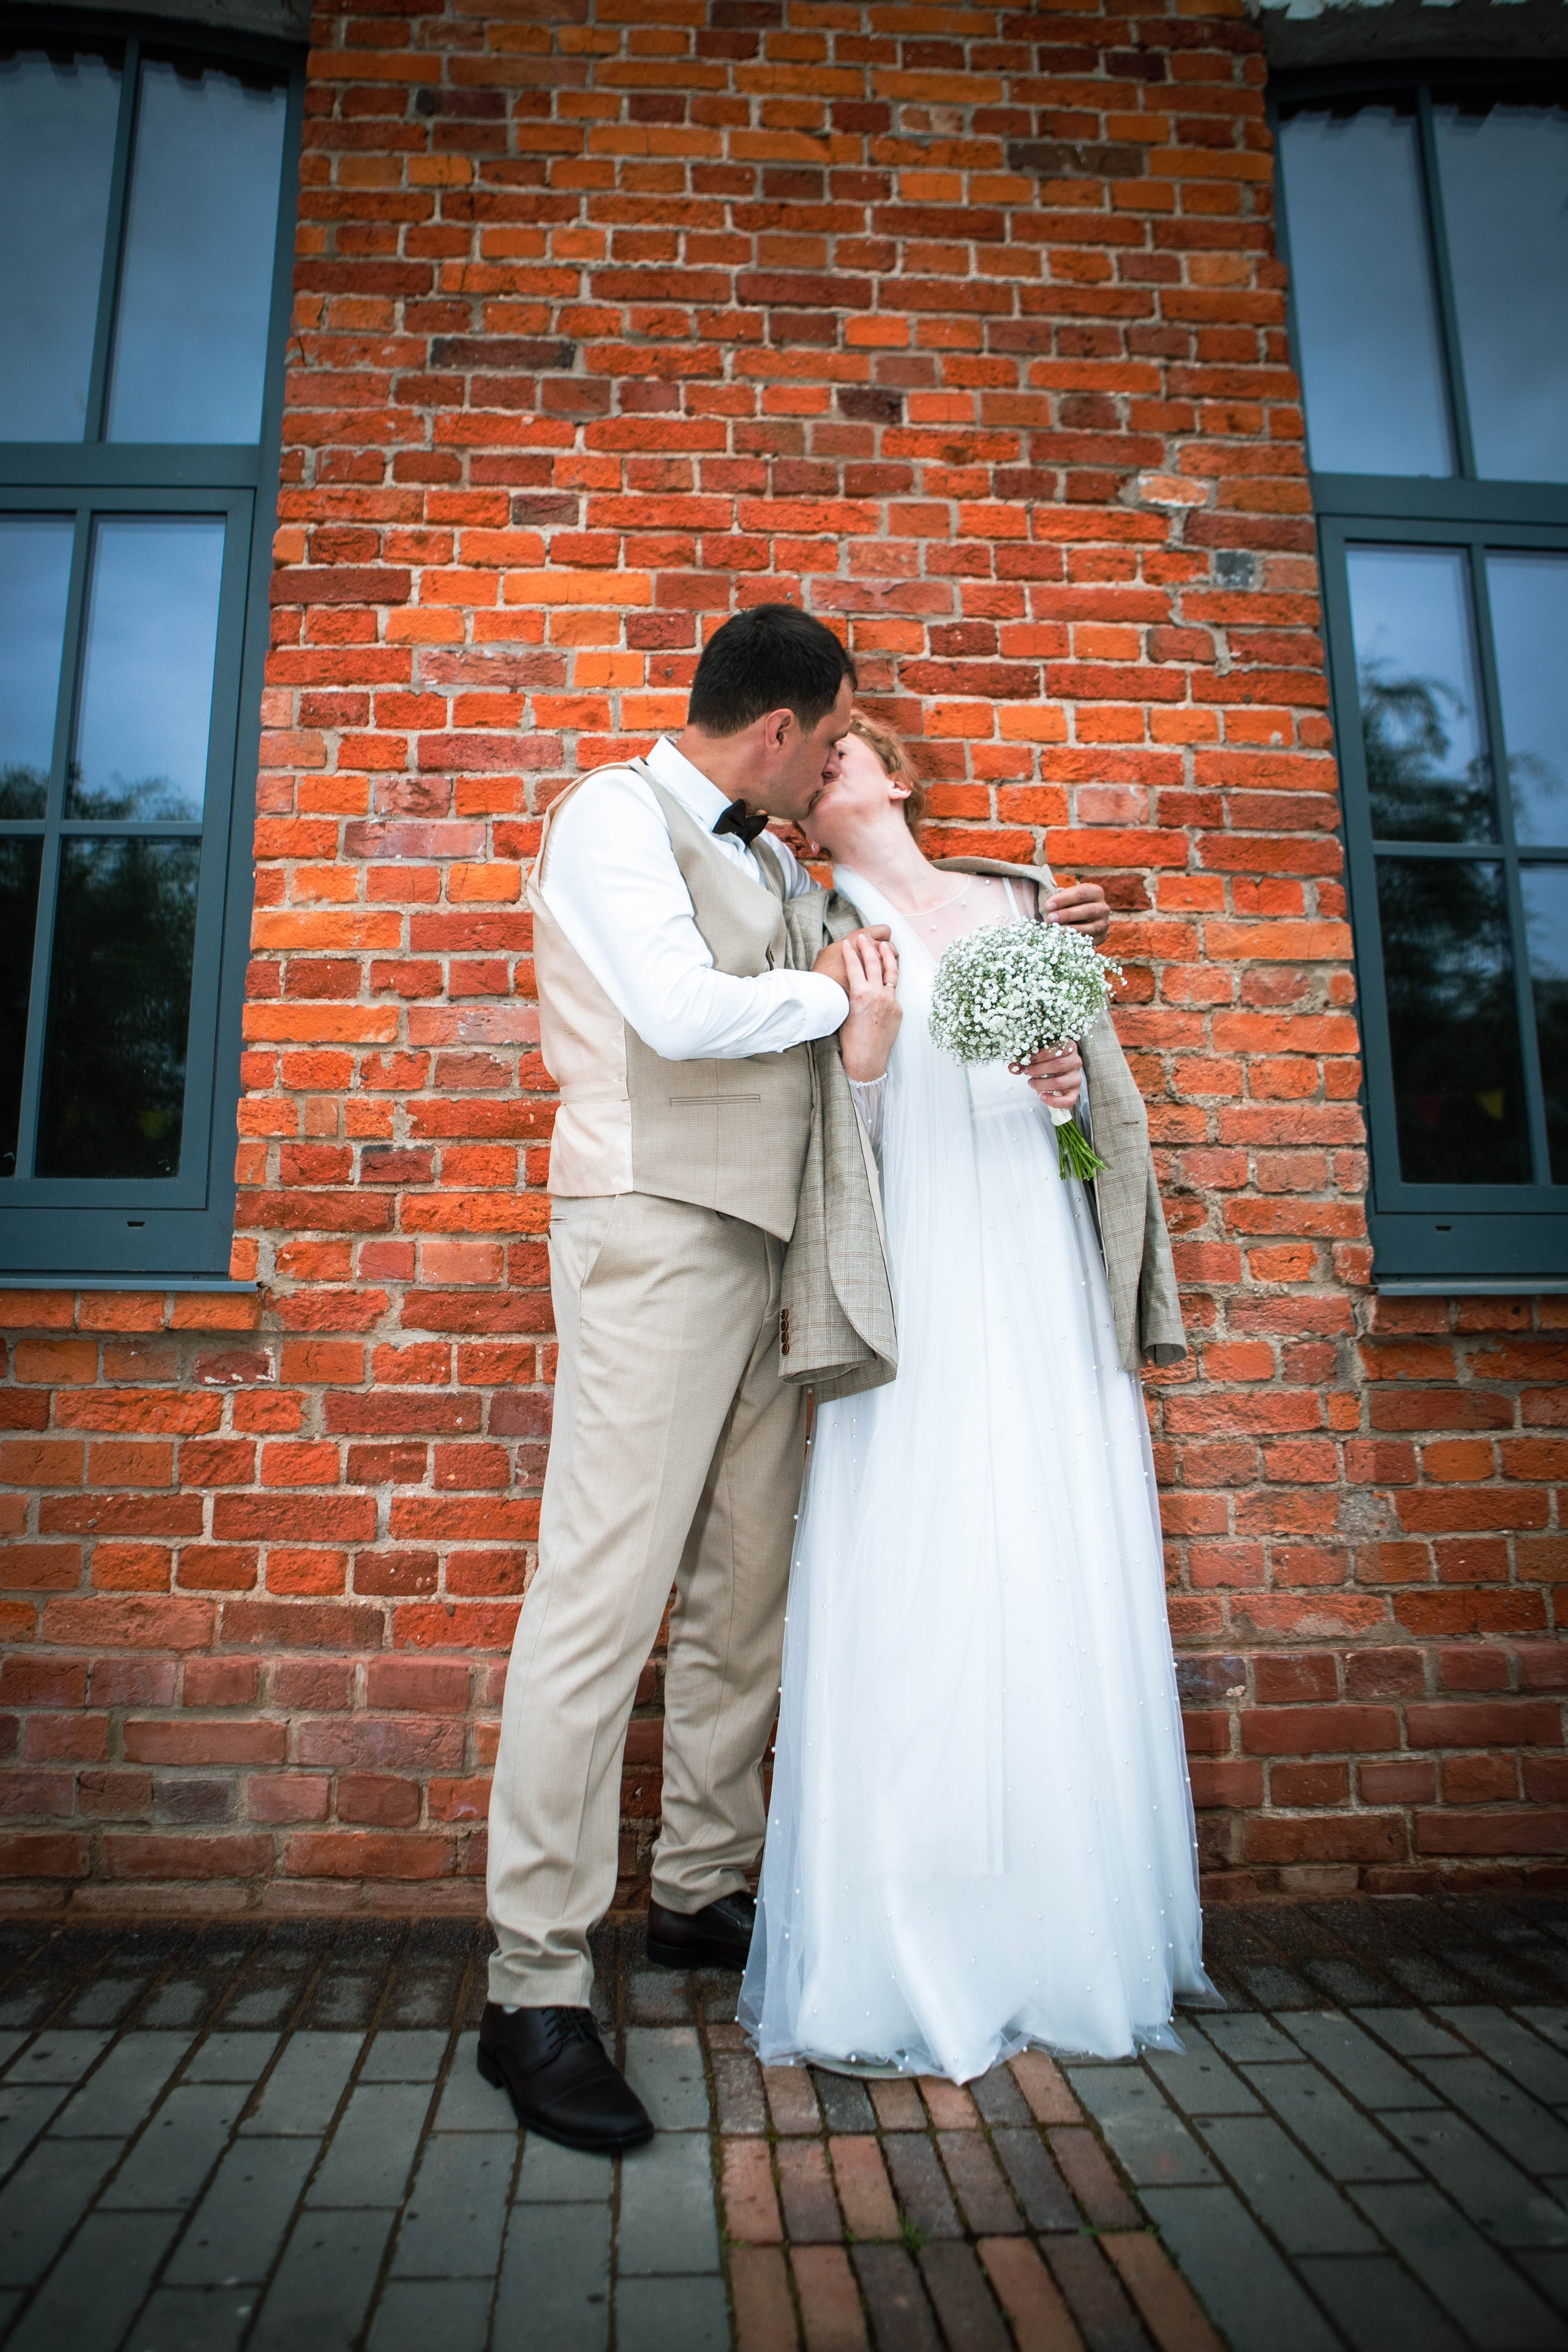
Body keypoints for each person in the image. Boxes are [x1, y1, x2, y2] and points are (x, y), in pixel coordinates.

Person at [479, 608, 1111, 2152]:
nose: (841, 765)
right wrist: (850, 1002)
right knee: (602, 1597)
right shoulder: (609, 820)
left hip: (781, 1249)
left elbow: (870, 1009)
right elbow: (686, 1020)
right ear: (779, 729)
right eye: (833, 742)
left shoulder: (772, 858)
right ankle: (533, 1990)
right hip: (655, 1233)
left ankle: (700, 1892)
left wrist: (1014, 947)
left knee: (742, 1588)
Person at [740, 712, 1217, 2082]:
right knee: (918, 1558)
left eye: (851, 745)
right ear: (797, 807)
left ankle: (1060, 1930)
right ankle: (906, 1928)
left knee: (1046, 1556)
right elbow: (833, 1144)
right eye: (809, 753)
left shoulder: (1023, 901)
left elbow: (1085, 1126)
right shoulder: (811, 926)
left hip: (1030, 1247)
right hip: (917, 1267)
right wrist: (872, 1053)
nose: (828, 761)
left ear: (897, 776)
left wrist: (1064, 1085)